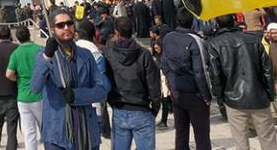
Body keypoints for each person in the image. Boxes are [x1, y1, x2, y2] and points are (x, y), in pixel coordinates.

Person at [31, 7, 107, 150]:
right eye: (60, 25)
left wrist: (77, 95)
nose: (66, 27)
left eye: (69, 23)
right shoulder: (45, 56)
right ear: (52, 29)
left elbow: (102, 90)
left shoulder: (86, 55)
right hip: (57, 132)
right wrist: (47, 57)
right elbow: (35, 88)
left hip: (86, 131)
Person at [208, 14, 277, 150]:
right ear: (234, 21)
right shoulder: (254, 39)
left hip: (233, 99)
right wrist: (270, 94)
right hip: (259, 95)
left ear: (216, 24)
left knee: (240, 141)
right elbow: (268, 70)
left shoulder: (215, 43)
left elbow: (215, 75)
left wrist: (221, 98)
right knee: (267, 138)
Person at [104, 16, 161, 150]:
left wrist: (112, 102)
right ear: (133, 31)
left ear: (116, 32)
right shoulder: (144, 54)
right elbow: (153, 84)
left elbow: (106, 81)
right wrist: (155, 107)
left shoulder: (109, 53)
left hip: (120, 109)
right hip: (142, 109)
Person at [161, 8, 211, 150]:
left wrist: (172, 85)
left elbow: (164, 64)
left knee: (181, 133)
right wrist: (206, 96)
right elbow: (200, 71)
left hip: (177, 92)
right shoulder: (195, 41)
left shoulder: (168, 38)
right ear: (192, 23)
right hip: (195, 93)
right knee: (202, 136)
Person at [7, 26, 43, 150]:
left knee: (29, 133)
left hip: (23, 97)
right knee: (45, 129)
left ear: (17, 38)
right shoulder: (40, 49)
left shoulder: (16, 53)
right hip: (40, 95)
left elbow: (9, 74)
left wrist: (18, 78)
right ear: (29, 35)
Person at [75, 20, 112, 139]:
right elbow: (102, 82)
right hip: (94, 102)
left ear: (78, 34)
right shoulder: (95, 52)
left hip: (75, 102)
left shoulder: (71, 49)